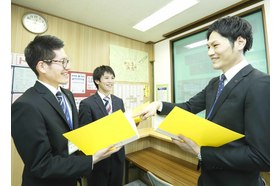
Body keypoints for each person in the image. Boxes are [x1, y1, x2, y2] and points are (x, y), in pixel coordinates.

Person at [137, 16, 269, 186]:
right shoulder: (215, 83)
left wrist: (200, 152)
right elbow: (189, 107)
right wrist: (158, 105)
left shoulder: (260, 83)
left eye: (215, 45)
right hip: (207, 179)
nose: (209, 53)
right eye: (208, 47)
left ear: (240, 42)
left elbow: (262, 157)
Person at [11, 35, 120, 186]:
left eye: (67, 61)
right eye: (62, 62)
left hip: (71, 178)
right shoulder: (26, 105)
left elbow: (73, 137)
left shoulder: (67, 94)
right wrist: (92, 159)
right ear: (42, 66)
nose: (68, 67)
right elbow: (41, 164)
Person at [78, 65, 125, 186]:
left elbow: (123, 126)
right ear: (97, 81)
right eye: (107, 78)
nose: (111, 81)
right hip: (99, 159)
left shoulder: (118, 101)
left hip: (118, 156)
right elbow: (85, 134)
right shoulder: (87, 104)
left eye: (112, 78)